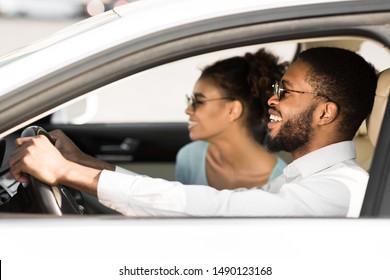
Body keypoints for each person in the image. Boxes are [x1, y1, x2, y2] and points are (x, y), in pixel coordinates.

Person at [8, 47, 378, 217]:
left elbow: (217, 208)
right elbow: (198, 204)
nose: (272, 99)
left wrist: (70, 173)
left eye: (286, 91)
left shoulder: (340, 190)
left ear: (326, 112)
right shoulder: (305, 181)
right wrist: (82, 162)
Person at [176, 48, 288, 190]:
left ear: (233, 110)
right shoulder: (189, 158)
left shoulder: (281, 182)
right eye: (190, 100)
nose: (188, 110)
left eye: (198, 101)